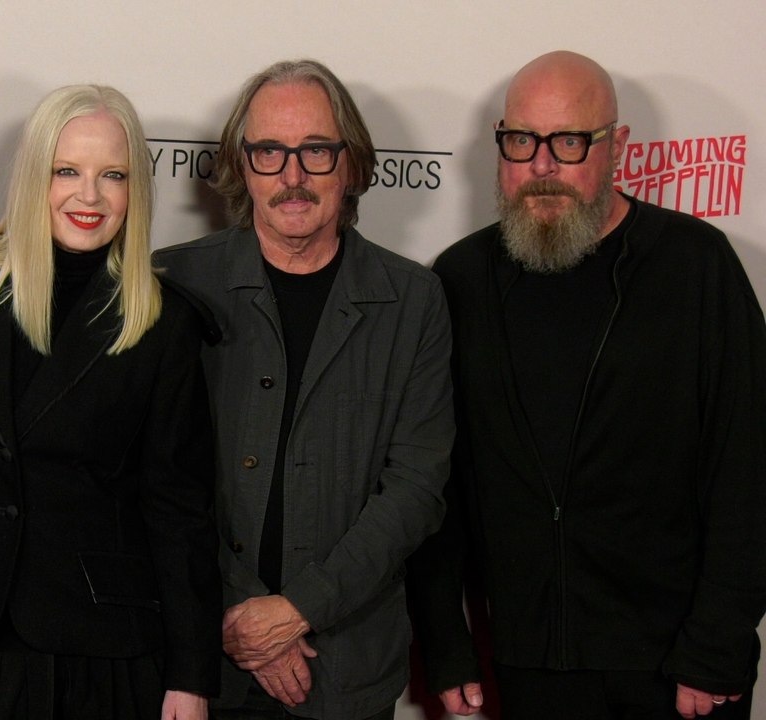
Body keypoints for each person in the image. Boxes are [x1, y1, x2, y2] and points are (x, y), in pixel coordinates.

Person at [408, 50, 766, 720]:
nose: (542, 168)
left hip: (680, 670)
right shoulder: (461, 280)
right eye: (521, 142)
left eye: (568, 143)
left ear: (618, 146)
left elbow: (747, 469)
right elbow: (436, 484)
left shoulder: (696, 266)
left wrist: (717, 644)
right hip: (527, 662)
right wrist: (445, 641)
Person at [154, 59, 455, 720]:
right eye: (269, 152)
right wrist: (237, 610)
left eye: (315, 150)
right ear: (242, 164)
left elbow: (415, 488)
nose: (292, 176)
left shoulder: (414, 300)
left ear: (350, 163)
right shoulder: (173, 284)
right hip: (199, 662)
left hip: (346, 672)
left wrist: (297, 611)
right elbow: (152, 476)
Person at [0, 85, 222, 719]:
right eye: (67, 172)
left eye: (114, 174)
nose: (90, 195)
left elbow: (178, 507)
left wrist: (190, 677)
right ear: (33, 177)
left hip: (112, 648)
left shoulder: (163, 322)